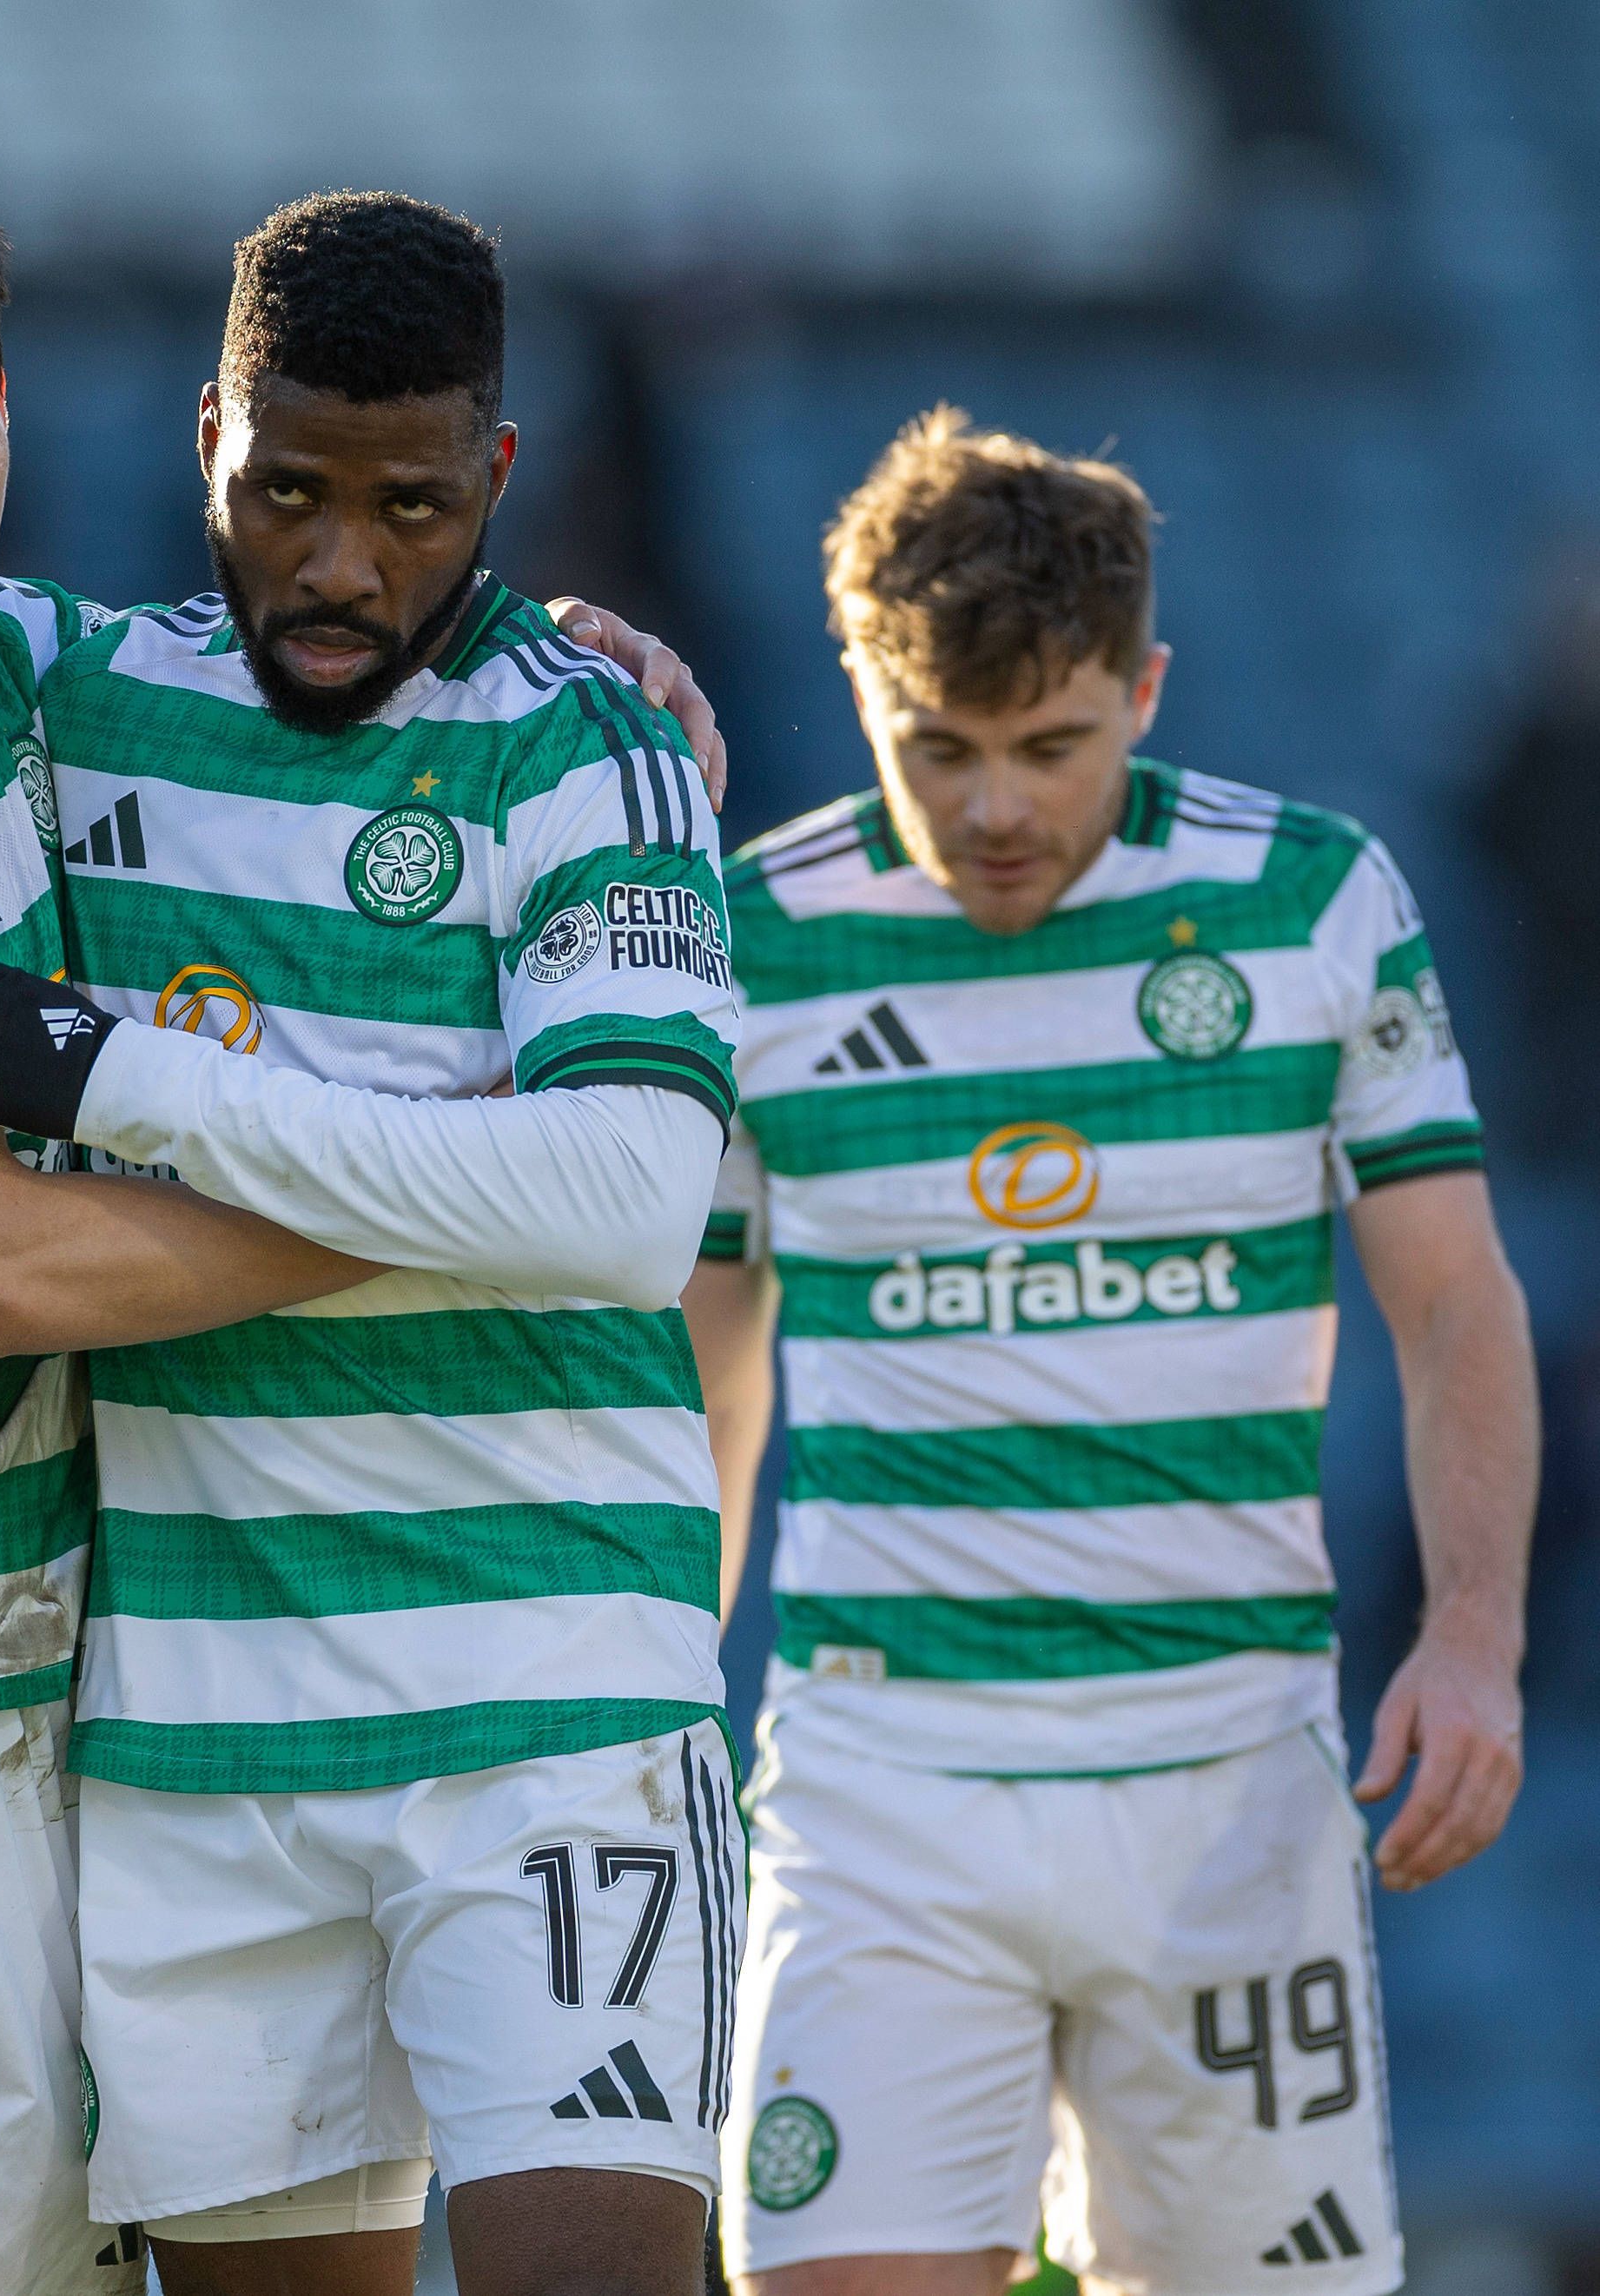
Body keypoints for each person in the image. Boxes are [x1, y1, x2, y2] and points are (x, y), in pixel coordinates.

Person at [0, 182, 744, 2296]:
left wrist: (138, 1072)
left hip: (110, 1700)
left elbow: (631, 1193)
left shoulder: (43, 673)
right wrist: (477, 1175)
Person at [683, 408, 1534, 2296]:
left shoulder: (1307, 903)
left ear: (1143, 687)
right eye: (940, 751)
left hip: (1221, 1763)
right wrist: (659, 1682)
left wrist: (1470, 1633)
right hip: (881, 1765)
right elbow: (710, 1359)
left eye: (1050, 746)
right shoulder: (757, 936)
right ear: (860, 687)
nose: (994, 806)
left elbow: (1452, 1299)